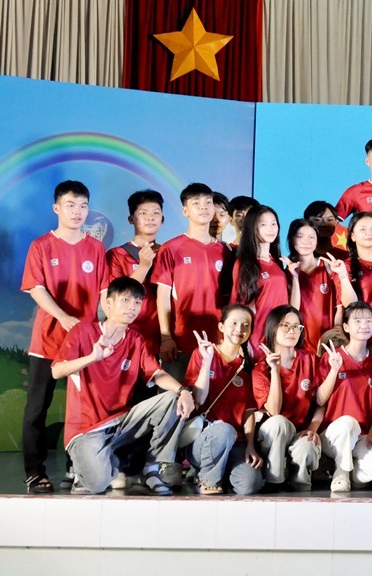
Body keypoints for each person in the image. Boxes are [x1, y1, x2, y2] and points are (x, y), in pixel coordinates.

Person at [52, 277, 194, 495]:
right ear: (108, 303)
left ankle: (152, 467)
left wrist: (184, 391)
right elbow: (57, 371)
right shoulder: (82, 332)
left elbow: (156, 374)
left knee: (173, 399)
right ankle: (91, 468)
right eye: (126, 300)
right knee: (97, 484)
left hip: (121, 423)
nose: (132, 307)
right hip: (86, 429)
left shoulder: (136, 339)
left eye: (137, 302)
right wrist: (92, 358)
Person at [21, 180, 109, 493]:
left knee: (85, 412)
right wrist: (63, 317)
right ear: (56, 208)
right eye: (70, 205)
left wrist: (105, 327)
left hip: (84, 346)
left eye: (83, 206)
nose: (77, 212)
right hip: (47, 342)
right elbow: (35, 287)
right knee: (37, 409)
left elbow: (104, 292)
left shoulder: (95, 248)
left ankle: (77, 469)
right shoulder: (41, 245)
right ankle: (35, 472)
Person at [153, 183, 232, 382]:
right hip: (180, 342)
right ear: (185, 211)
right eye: (196, 203)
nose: (203, 207)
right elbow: (163, 297)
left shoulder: (225, 251)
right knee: (176, 398)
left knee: (213, 399)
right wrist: (166, 337)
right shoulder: (171, 248)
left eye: (208, 202)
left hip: (217, 342)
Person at [184, 305, 265, 495]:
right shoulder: (203, 353)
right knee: (224, 430)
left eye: (246, 325)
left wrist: (250, 445)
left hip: (235, 441)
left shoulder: (247, 366)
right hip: (204, 438)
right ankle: (207, 480)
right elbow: (198, 399)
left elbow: (248, 412)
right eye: (234, 323)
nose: (239, 329)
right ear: (221, 327)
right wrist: (207, 362)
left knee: (249, 483)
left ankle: (215, 471)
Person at [315, 302, 372, 492]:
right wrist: (334, 370)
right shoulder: (332, 357)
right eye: (357, 321)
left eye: (368, 320)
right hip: (334, 433)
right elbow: (320, 400)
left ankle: (351, 476)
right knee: (348, 423)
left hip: (362, 435)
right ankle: (341, 470)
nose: (364, 325)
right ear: (346, 327)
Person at [252, 305, 322, 490]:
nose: (292, 331)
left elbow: (321, 402)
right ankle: (274, 481)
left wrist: (312, 428)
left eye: (296, 326)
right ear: (273, 328)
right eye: (285, 325)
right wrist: (275, 370)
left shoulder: (310, 359)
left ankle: (301, 484)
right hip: (274, 434)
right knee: (279, 423)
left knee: (307, 446)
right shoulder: (260, 368)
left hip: (301, 431)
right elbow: (274, 411)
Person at [105, 189, 164, 356]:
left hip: (160, 338)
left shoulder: (168, 253)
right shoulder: (116, 255)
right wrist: (143, 266)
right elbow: (117, 296)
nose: (150, 218)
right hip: (124, 336)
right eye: (143, 213)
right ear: (131, 219)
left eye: (156, 213)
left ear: (162, 219)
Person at [231, 205, 297, 347]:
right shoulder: (244, 264)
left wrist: (294, 276)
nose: (270, 229)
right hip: (257, 337)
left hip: (279, 336)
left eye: (273, 224)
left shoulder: (276, 262)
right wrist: (244, 342)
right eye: (263, 224)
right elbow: (240, 305)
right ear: (252, 227)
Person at [284, 219, 342, 354]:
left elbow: (340, 305)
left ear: (317, 241)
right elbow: (291, 310)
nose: (307, 241)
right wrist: (294, 277)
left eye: (311, 237)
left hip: (328, 343)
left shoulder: (328, 266)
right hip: (300, 345)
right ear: (292, 240)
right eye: (300, 236)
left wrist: (336, 332)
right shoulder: (286, 273)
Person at [337, 212, 372, 340]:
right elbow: (350, 304)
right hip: (362, 334)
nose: (369, 233)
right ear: (352, 236)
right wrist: (343, 275)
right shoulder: (345, 266)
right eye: (363, 229)